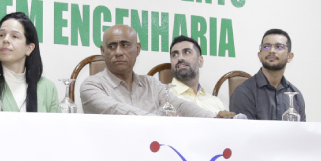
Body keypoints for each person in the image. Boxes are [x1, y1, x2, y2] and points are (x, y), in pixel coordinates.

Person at [81, 25, 229, 118]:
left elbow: (180, 106)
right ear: (102, 51)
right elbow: (119, 113)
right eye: (112, 46)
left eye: (125, 45)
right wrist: (161, 118)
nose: (118, 52)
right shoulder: (91, 86)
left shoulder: (151, 84)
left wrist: (213, 118)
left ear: (137, 49)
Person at [0, 12, 60, 112]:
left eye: (15, 36)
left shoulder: (48, 88)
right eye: (1, 35)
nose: (6, 40)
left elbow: (56, 127)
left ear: (29, 48)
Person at [230, 28, 306, 121]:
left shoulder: (296, 96)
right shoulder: (244, 92)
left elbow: (301, 133)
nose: (272, 51)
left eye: (279, 47)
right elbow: (245, 133)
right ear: (259, 56)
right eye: (266, 47)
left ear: (289, 57)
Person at [168, 35, 226, 116]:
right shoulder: (163, 98)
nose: (180, 58)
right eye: (175, 55)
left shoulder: (216, 102)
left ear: (200, 61)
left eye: (187, 52)